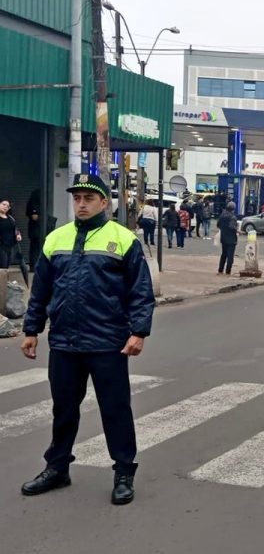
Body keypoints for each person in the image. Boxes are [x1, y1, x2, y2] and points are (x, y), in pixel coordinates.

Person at [19, 174, 154, 506]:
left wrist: (139, 332)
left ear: (104, 203)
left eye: (88, 198)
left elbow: (140, 291)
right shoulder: (56, 239)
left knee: (115, 409)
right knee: (63, 409)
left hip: (108, 342)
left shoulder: (123, 240)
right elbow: (41, 291)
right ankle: (57, 468)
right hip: (64, 342)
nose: (81, 203)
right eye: (77, 198)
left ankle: (124, 473)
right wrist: (31, 330)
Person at [217, 201, 238, 276]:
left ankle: (220, 270)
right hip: (231, 239)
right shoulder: (233, 217)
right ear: (233, 209)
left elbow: (218, 225)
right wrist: (238, 230)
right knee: (230, 257)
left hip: (223, 238)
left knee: (223, 255)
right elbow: (232, 227)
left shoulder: (222, 215)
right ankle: (228, 271)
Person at [0, 198, 22, 269]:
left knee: (7, 266)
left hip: (10, 246)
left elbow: (15, 228)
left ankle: (4, 280)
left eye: (8, 206)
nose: (6, 207)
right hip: (1, 246)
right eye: (4, 204)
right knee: (2, 266)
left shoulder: (10, 218)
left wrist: (18, 234)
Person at [26, 190, 41, 269]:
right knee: (35, 247)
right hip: (36, 230)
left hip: (36, 230)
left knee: (36, 247)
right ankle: (34, 266)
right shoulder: (34, 205)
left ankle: (35, 265)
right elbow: (34, 217)